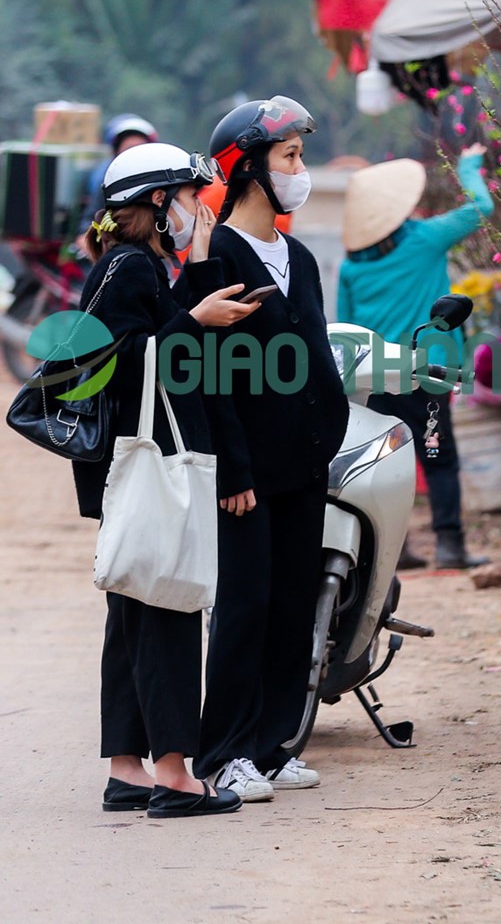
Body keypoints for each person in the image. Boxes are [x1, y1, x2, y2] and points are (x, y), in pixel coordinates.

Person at [75, 141, 258, 817]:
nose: (194, 210)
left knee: (133, 609)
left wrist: (197, 284)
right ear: (157, 204)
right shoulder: (128, 269)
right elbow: (110, 363)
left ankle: (127, 768)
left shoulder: (140, 265)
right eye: (186, 198)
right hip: (147, 465)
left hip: (136, 467)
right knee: (168, 611)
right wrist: (196, 320)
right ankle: (176, 773)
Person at [193, 96, 349, 802]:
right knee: (244, 608)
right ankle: (225, 751)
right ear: (250, 169)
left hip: (304, 465)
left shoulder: (301, 259)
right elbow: (211, 378)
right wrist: (232, 465)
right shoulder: (219, 258)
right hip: (245, 476)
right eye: (289, 157)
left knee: (292, 603)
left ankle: (275, 744)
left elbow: (315, 356)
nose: (299, 169)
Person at [337, 144, 494, 570]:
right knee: (438, 457)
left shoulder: (352, 268)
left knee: (383, 460)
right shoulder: (425, 238)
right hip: (426, 373)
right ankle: (450, 546)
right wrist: (469, 165)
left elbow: (346, 326)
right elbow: (483, 206)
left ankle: (392, 550)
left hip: (375, 376)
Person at [77, 114, 159, 241]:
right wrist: (86, 237)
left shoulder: (161, 183)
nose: (134, 154)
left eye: (139, 148)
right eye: (128, 149)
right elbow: (90, 218)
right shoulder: (108, 184)